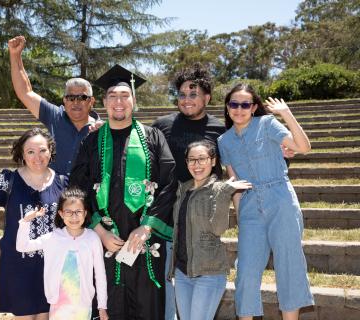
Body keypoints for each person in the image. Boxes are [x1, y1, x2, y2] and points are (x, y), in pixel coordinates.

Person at [70, 64, 177, 320]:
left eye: (125, 95)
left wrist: (148, 227)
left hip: (146, 243)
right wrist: (99, 229)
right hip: (105, 242)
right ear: (104, 102)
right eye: (113, 96)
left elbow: (169, 183)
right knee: (109, 308)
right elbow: (77, 188)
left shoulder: (153, 137)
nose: (119, 102)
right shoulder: (92, 141)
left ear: (133, 100)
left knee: (148, 308)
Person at [217, 84, 314, 320]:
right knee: (246, 272)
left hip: (280, 199)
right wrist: (241, 220)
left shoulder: (267, 124)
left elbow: (303, 147)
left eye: (245, 104)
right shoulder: (224, 140)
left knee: (289, 265)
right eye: (234, 104)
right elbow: (235, 184)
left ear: (254, 107)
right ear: (228, 108)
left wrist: (286, 113)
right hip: (249, 207)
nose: (239, 109)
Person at [0, 128, 68, 319]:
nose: (38, 157)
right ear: (22, 154)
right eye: (30, 152)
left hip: (54, 265)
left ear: (50, 150)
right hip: (19, 265)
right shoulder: (9, 180)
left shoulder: (63, 181)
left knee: (47, 316)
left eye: (42, 150)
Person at [152, 64, 224, 319]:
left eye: (193, 94)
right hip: (166, 218)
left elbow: (236, 165)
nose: (187, 99)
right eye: (182, 94)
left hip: (201, 223)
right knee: (170, 287)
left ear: (207, 98)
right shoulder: (162, 125)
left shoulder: (219, 130)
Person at [168, 140, 252, 320]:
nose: (196, 165)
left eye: (202, 159)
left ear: (213, 161)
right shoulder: (183, 189)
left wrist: (224, 194)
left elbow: (218, 228)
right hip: (183, 272)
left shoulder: (219, 189)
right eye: (192, 160)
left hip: (209, 272)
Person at [8, 36, 102, 176]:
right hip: (53, 193)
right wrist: (15, 56)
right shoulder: (55, 116)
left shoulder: (101, 129)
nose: (76, 102)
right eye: (71, 98)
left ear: (91, 101)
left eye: (82, 97)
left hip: (86, 196)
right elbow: (25, 92)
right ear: (64, 100)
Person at [16, 187, 109, 320]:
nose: (74, 216)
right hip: (58, 305)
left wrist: (102, 306)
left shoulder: (92, 238)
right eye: (68, 212)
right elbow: (22, 246)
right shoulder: (53, 238)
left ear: (85, 213)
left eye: (78, 212)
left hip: (83, 305)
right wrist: (25, 221)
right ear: (61, 213)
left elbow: (100, 275)